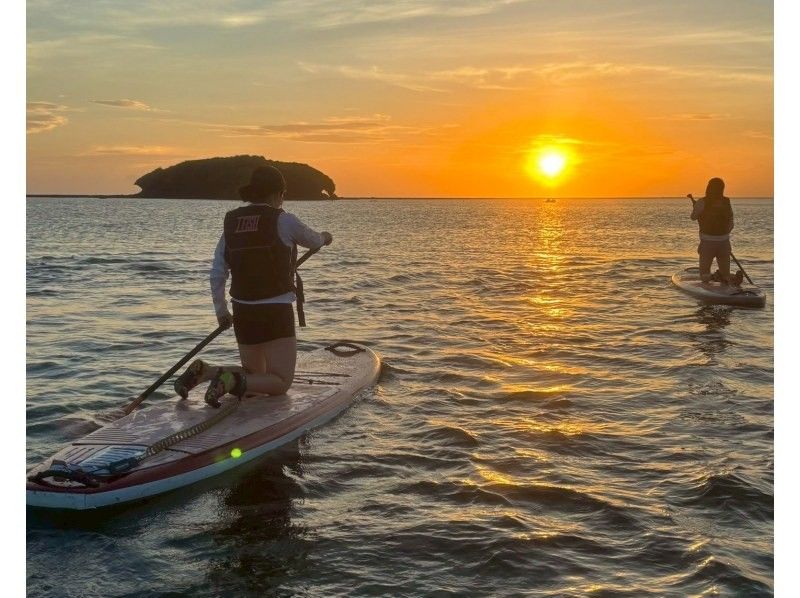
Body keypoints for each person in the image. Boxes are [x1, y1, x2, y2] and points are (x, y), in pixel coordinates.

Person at [173, 165, 333, 407]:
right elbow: (314, 240)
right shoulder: (284, 220)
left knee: (255, 376)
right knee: (280, 382)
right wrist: (325, 237)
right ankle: (231, 382)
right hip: (275, 312)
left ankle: (206, 372)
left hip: (243, 311)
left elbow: (217, 272)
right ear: (278, 193)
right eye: (284, 194)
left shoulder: (232, 224)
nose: (283, 199)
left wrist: (221, 311)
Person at [687, 177, 744, 286]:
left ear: (708, 187)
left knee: (704, 275)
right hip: (724, 242)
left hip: (707, 243)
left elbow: (693, 217)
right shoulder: (726, 202)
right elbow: (731, 223)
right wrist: (723, 235)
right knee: (725, 274)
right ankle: (730, 278)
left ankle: (713, 276)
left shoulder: (702, 202)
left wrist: (696, 208)